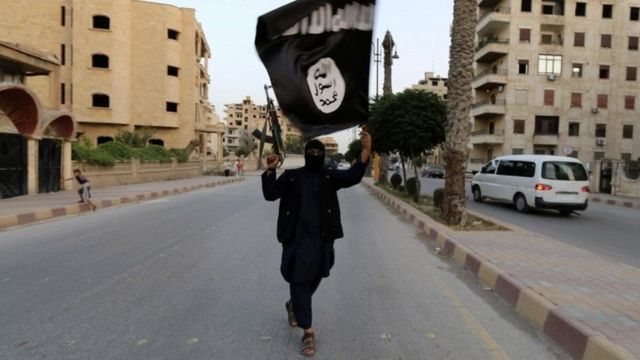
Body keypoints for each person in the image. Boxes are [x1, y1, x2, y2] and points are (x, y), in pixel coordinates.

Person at [261, 129, 371, 357]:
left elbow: (353, 175)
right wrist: (271, 169)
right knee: (299, 279)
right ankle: (308, 331)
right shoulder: (292, 176)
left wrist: (367, 149)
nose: (314, 154)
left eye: (317, 151)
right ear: (305, 154)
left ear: (322, 155)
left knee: (320, 272)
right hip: (296, 240)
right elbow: (271, 194)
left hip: (322, 239)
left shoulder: (330, 176)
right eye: (310, 151)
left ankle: (294, 304)